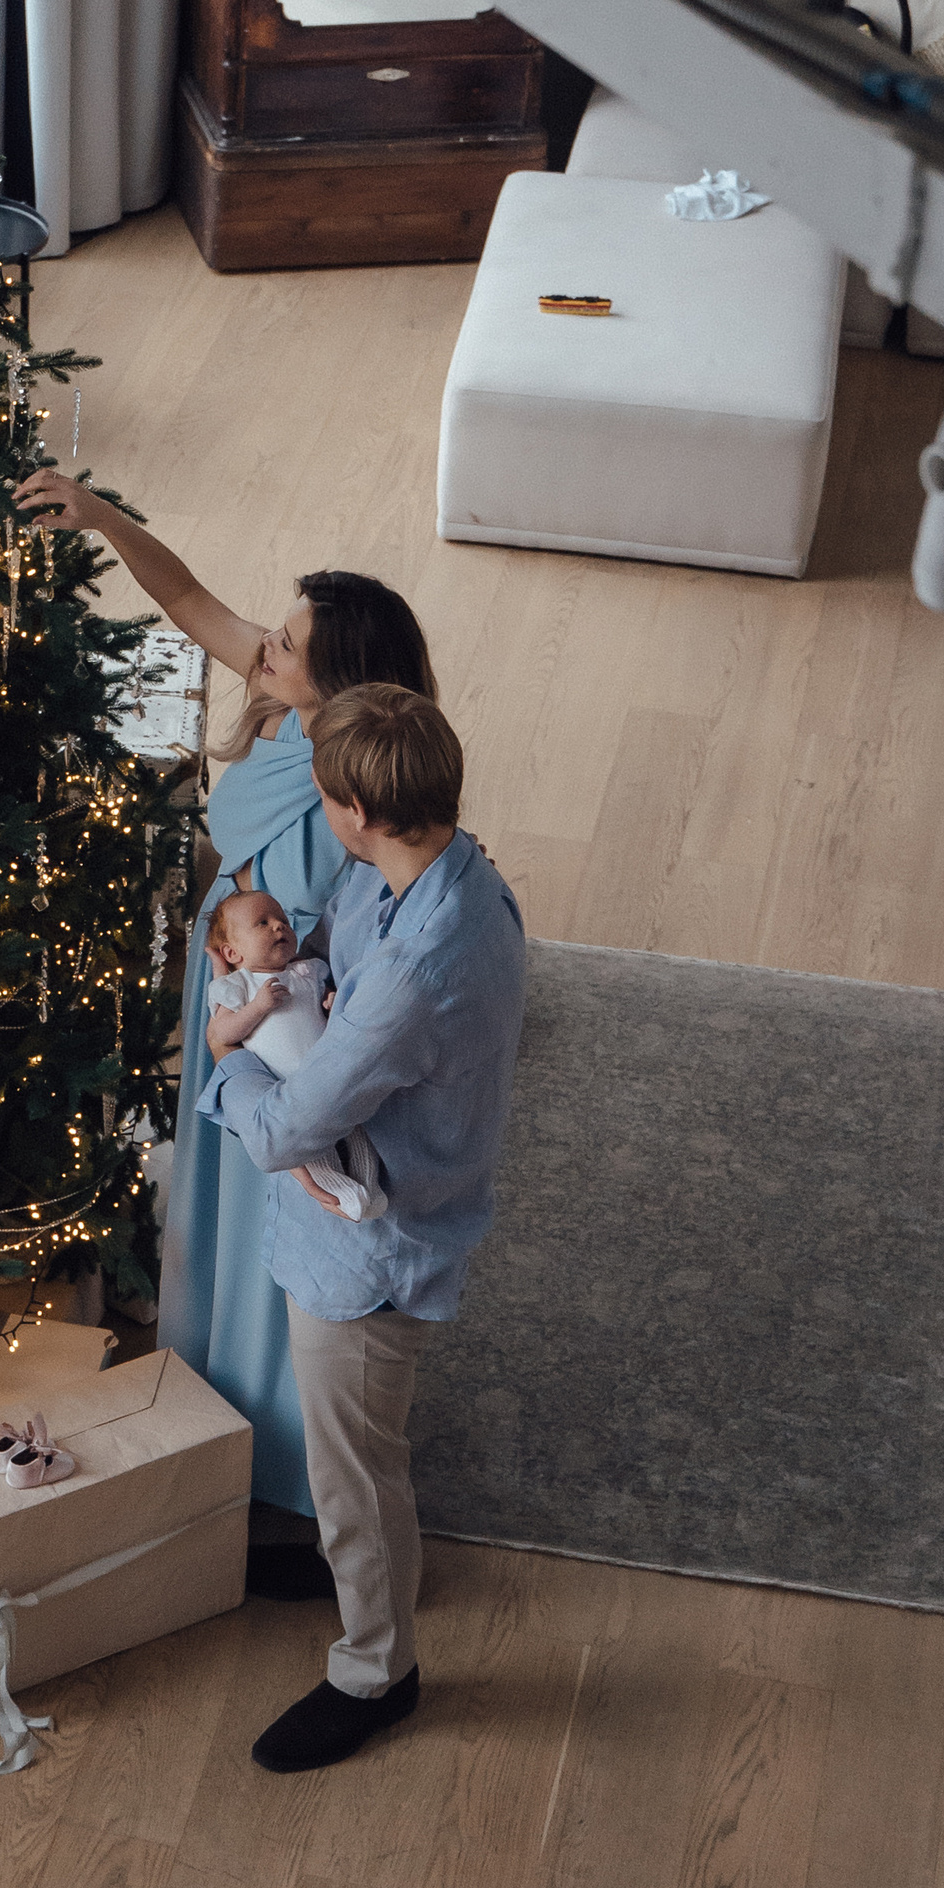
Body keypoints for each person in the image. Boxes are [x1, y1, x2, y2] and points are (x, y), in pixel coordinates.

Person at [12, 468, 435, 1574]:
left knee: (272, 1236)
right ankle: (206, 1432)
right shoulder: (295, 703)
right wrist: (101, 519)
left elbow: (387, 881)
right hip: (232, 969)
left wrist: (299, 989)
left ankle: (287, 1489)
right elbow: (192, 602)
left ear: (337, 677)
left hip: (277, 1001)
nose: (265, 648)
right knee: (213, 1199)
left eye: (286, 643)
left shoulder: (351, 760)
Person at [198, 683, 527, 1771]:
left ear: (349, 808)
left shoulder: (415, 972)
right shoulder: (435, 870)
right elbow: (332, 960)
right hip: (377, 1201)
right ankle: (353, 1560)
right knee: (353, 1452)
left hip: (372, 1250)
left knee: (359, 1463)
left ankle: (376, 1664)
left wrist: (225, 1059)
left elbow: (287, 1125)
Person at [201, 888, 386, 1222]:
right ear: (232, 952)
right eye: (262, 923)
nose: (279, 927)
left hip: (331, 1070)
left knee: (356, 1129)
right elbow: (223, 1033)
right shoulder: (239, 986)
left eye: (282, 920)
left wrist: (331, 1004)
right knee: (312, 1145)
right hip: (288, 1089)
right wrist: (257, 1007)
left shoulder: (308, 970)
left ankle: (370, 1188)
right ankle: (342, 1192)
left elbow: (322, 1008)